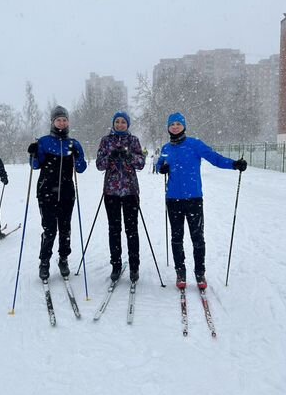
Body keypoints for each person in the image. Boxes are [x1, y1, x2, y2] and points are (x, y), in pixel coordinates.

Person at [156, 112, 247, 289]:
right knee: (176, 237)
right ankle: (180, 272)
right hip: (173, 199)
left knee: (197, 237)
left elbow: (215, 158)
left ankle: (200, 273)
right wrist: (162, 168)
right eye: (171, 124)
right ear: (168, 127)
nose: (175, 126)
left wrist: (234, 164)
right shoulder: (166, 148)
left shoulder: (195, 145)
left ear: (184, 126)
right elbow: (160, 164)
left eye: (178, 123)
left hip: (193, 198)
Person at [28, 105, 87, 281]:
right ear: (53, 122)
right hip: (46, 192)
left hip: (67, 192)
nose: (61, 123)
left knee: (65, 228)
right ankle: (44, 262)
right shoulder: (44, 142)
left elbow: (81, 168)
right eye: (58, 120)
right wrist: (32, 153)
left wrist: (78, 155)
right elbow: (35, 165)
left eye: (64, 119)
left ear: (68, 122)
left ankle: (63, 259)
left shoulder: (73, 143)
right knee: (49, 229)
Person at [96, 111, 145, 282]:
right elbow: (99, 165)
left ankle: (134, 266)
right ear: (113, 123)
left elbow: (141, 163)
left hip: (130, 191)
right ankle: (116, 265)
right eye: (117, 121)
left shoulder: (133, 141)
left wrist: (129, 156)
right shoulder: (106, 140)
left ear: (128, 124)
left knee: (132, 230)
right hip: (111, 192)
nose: (120, 124)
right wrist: (111, 157)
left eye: (123, 122)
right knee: (114, 229)